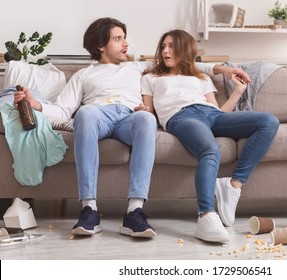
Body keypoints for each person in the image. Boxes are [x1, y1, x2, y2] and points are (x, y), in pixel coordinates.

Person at [13, 18, 250, 239]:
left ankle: (135, 212)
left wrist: (224, 70)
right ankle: (89, 209)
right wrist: (35, 105)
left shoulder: (139, 67)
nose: (126, 43)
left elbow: (187, 63)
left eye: (124, 37)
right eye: (118, 39)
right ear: (100, 46)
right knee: (84, 112)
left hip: (130, 116)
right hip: (98, 115)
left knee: (147, 119)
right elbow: (62, 111)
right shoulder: (84, 75)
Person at [141, 29, 279, 243]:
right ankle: (206, 215)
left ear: (184, 49)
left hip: (211, 114)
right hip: (181, 117)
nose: (166, 51)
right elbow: (148, 112)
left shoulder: (201, 77)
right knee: (211, 150)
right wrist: (141, 111)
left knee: (268, 121)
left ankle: (234, 184)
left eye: (171, 46)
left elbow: (218, 113)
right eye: (163, 46)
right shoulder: (151, 77)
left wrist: (237, 93)